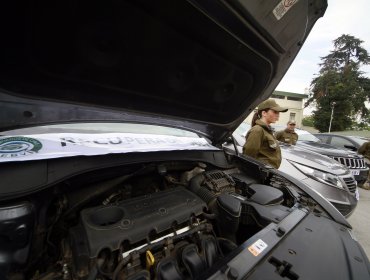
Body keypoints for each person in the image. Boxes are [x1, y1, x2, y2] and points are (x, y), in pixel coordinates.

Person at [243, 99, 288, 169]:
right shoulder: (257, 130)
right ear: (264, 113)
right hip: (260, 174)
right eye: (275, 112)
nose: (278, 114)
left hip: (268, 173)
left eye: (278, 112)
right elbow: (248, 158)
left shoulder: (267, 130)